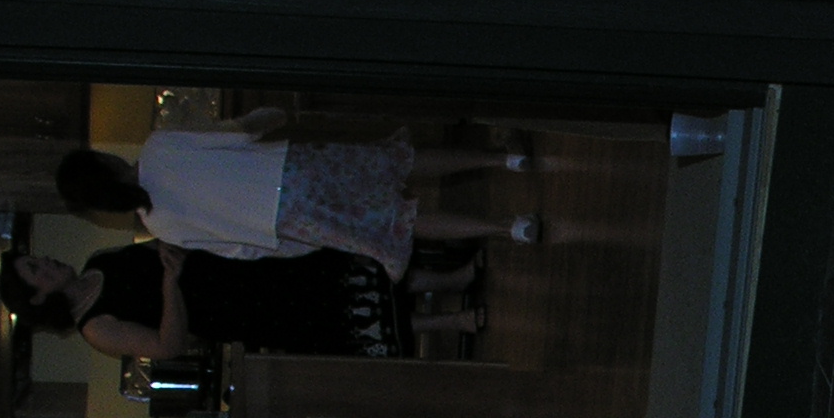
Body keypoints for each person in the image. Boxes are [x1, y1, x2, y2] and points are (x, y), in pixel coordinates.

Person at [55, 115, 537, 284]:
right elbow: (238, 134)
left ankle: (509, 228)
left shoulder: (160, 226)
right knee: (397, 163)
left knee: (398, 222)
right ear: (106, 162)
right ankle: (505, 159)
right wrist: (266, 118)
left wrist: (291, 242)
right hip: (289, 168)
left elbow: (239, 251)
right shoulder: (159, 147)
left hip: (290, 221)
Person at [0, 241, 486, 363]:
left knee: (349, 276)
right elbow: (168, 345)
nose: (47, 262)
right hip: (237, 311)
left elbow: (164, 247)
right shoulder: (95, 327)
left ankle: (455, 277)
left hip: (241, 270)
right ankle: (453, 320)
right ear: (40, 296)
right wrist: (170, 286)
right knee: (343, 318)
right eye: (36, 270)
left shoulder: (98, 259)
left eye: (37, 258)